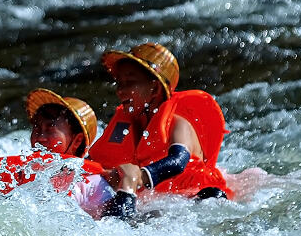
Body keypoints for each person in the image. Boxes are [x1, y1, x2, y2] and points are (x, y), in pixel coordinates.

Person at [88, 42, 234, 218]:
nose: (120, 91)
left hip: (196, 197)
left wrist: (139, 177)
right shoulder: (124, 125)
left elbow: (179, 161)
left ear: (155, 88)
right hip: (157, 200)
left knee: (212, 196)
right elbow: (98, 159)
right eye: (119, 83)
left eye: (129, 83)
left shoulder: (179, 123)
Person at [0, 88, 121, 219]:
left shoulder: (92, 183)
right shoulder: (20, 172)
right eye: (36, 128)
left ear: (77, 141)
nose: (39, 137)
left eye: (50, 129)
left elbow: (115, 226)